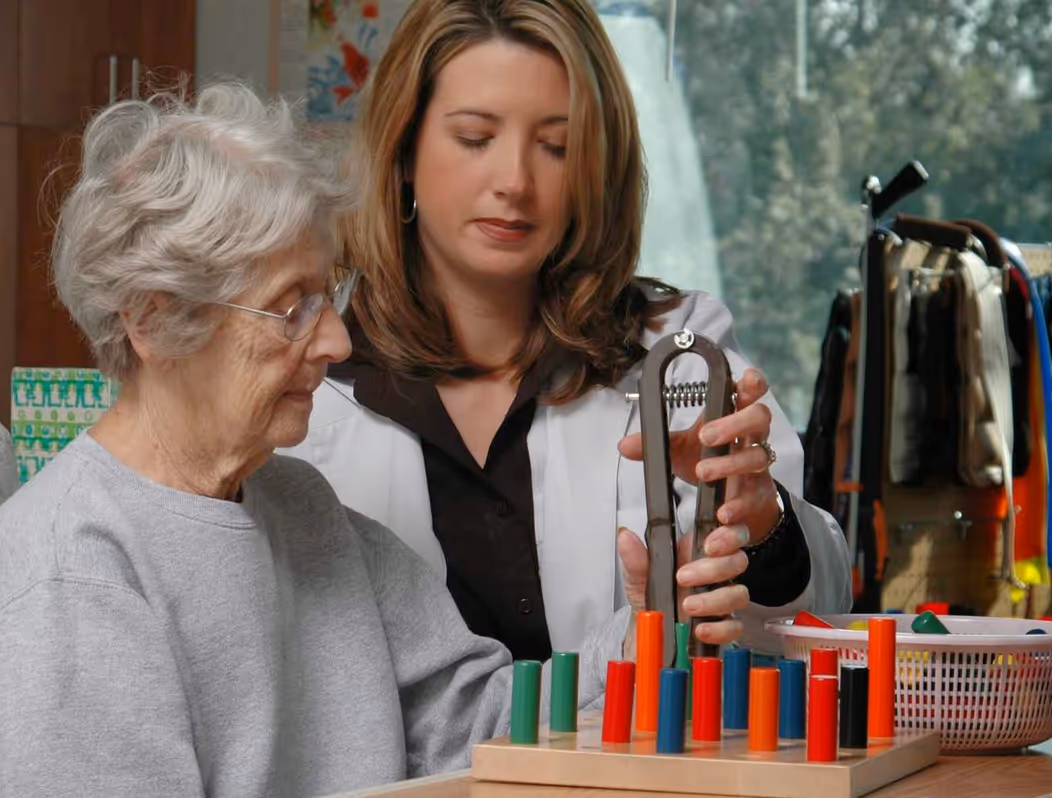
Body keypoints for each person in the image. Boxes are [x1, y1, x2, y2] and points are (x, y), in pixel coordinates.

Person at [0, 84, 631, 798]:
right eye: (292, 309)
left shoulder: (302, 507)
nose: (336, 339)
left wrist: (657, 614)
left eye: (330, 296)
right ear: (155, 321)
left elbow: (481, 727)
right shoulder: (71, 580)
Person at [281, 0, 853, 659]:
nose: (516, 182)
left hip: (630, 762)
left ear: (593, 170)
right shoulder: (307, 366)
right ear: (403, 150)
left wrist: (761, 526)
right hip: (397, 769)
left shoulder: (678, 352)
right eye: (475, 139)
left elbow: (821, 610)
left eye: (556, 146)